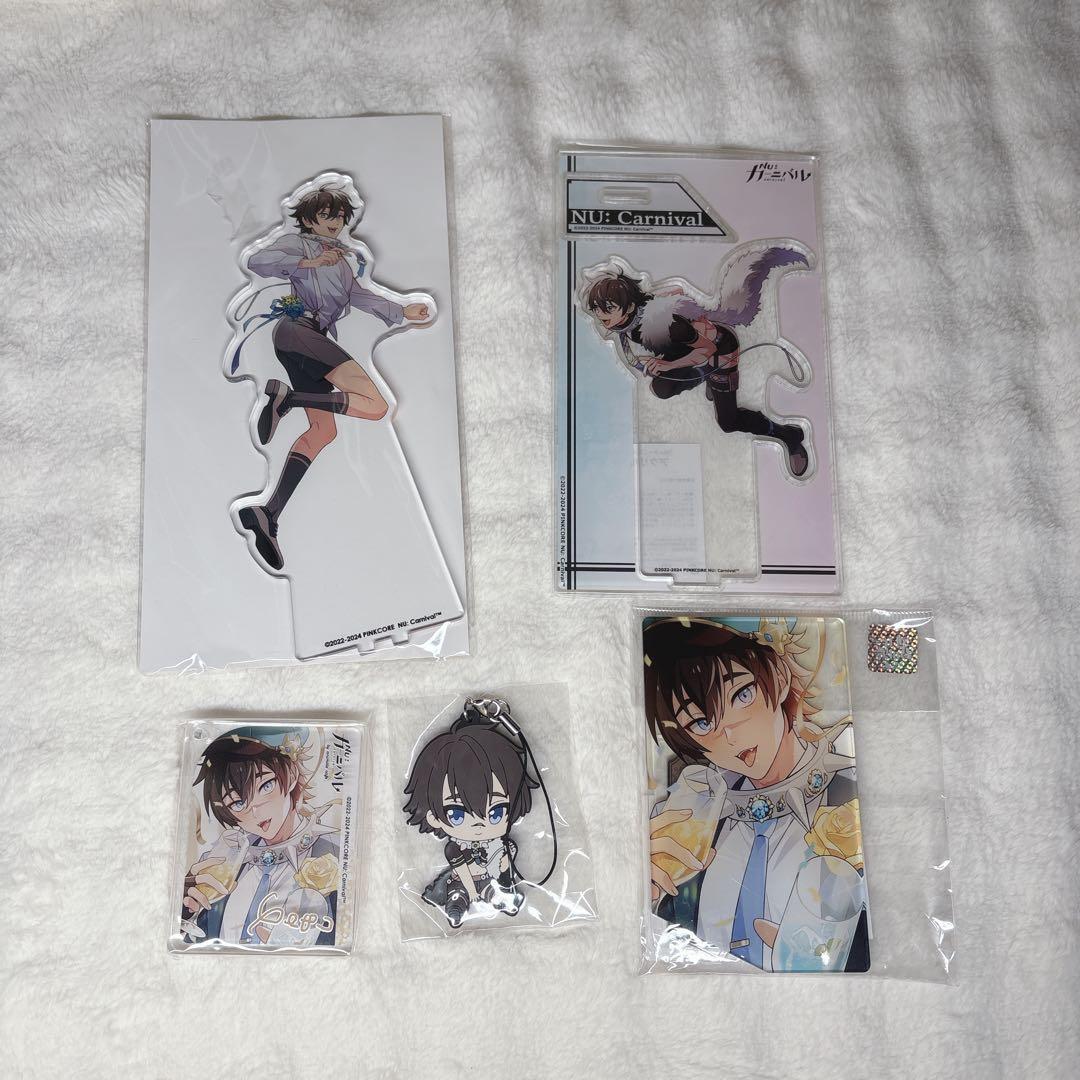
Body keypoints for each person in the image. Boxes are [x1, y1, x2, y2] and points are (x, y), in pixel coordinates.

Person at [642, 616, 869, 971]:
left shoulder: (850, 797)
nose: (731, 735)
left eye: (741, 695)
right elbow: (662, 944)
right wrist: (647, 896)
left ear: (779, 678)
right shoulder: (694, 811)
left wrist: (825, 958)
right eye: (702, 722)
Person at [236, 181, 430, 571]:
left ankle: (268, 514)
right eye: (326, 215)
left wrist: (403, 311)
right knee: (375, 406)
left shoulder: (341, 262)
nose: (335, 222)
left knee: (323, 431)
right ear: (309, 220)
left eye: (340, 216)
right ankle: (288, 400)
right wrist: (307, 264)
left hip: (309, 341)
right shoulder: (300, 245)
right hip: (297, 332)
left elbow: (360, 296)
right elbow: (257, 262)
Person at [582, 249, 811, 477]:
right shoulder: (629, 323)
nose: (602, 317)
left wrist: (667, 366)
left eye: (608, 309)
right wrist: (654, 363)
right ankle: (708, 380)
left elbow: (707, 349)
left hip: (719, 350)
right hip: (686, 350)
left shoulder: (665, 323)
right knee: (662, 387)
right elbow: (676, 292)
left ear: (630, 307)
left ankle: (788, 435)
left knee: (728, 422)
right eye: (598, 310)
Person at [181, 726, 340, 947]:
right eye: (238, 802)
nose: (255, 811)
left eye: (266, 785)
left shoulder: (334, 853)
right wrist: (184, 909)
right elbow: (196, 939)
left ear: (291, 774)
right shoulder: (225, 859)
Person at [402, 716, 538, 928]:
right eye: (457, 814)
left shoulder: (499, 843)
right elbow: (463, 872)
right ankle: (456, 909)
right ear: (433, 817)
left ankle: (501, 900)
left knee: (494, 891)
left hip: (488, 880)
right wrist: (472, 891)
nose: (479, 824)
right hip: (459, 881)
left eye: (495, 812)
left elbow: (503, 867)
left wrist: (505, 860)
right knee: (458, 895)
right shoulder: (454, 848)